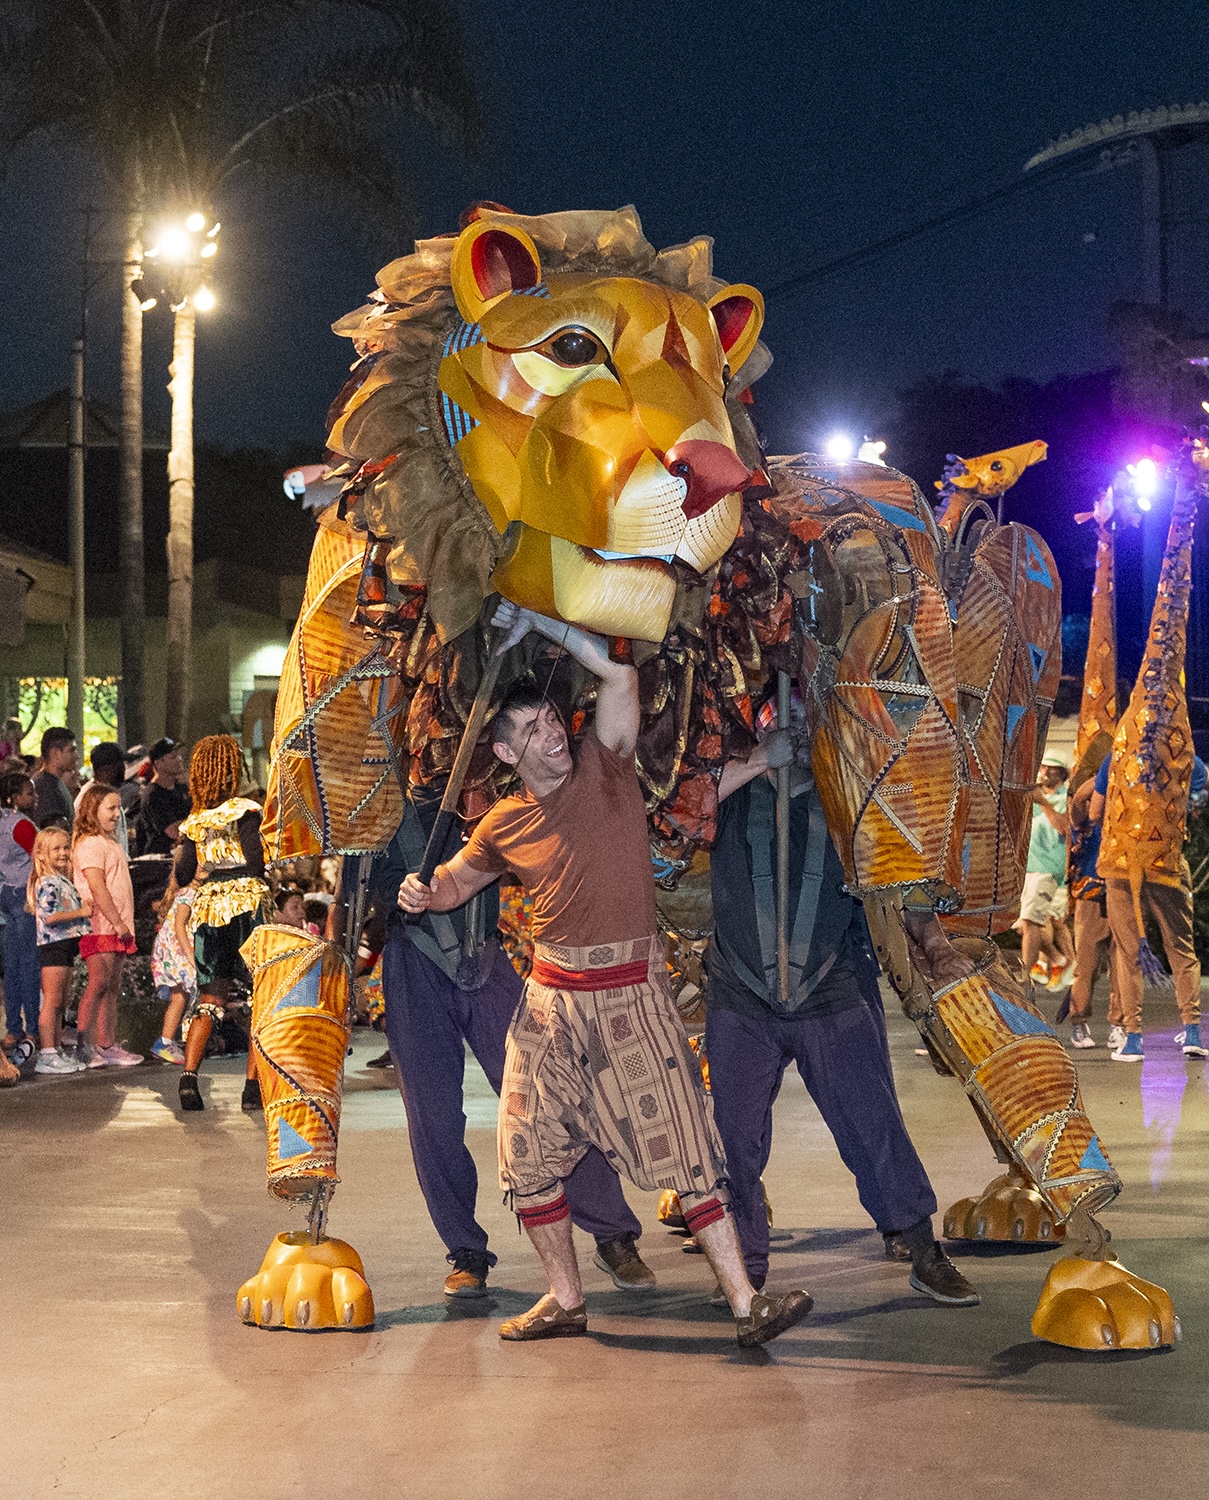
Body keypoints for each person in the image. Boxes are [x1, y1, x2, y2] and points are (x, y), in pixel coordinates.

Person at [400, 603, 813, 1349]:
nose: (550, 733)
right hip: (549, 1005)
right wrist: (425, 893)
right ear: (500, 752)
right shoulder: (501, 822)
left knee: (687, 1151)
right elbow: (458, 882)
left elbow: (617, 674)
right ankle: (565, 1298)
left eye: (551, 720)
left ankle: (745, 1303)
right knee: (524, 1153)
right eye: (528, 730)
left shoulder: (605, 764)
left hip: (630, 998)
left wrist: (541, 626)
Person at [704, 703, 978, 1307]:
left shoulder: (854, 793)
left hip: (832, 986)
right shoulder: (724, 784)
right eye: (784, 709)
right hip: (739, 993)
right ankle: (743, 1275)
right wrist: (757, 762)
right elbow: (675, 812)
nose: (795, 722)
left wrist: (934, 945)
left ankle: (921, 1247)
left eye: (807, 709)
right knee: (733, 1139)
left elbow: (902, 881)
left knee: (873, 1123)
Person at [379, 783, 653, 1302]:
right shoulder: (380, 799)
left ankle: (612, 1232)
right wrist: (396, 891)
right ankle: (465, 1250)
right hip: (413, 963)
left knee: (551, 1095)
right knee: (432, 1116)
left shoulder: (491, 792)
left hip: (485, 955)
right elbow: (361, 884)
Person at [173, 735, 269, 1112]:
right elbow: (255, 863)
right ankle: (251, 1087)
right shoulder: (246, 809)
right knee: (261, 995)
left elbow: (183, 874)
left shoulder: (194, 822)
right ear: (234, 768)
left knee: (210, 998)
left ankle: (189, 1077)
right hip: (246, 905)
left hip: (209, 908)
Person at [1093, 753, 1208, 1061]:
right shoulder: (1187, 757)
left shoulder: (1116, 755)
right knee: (1181, 949)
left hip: (1122, 868)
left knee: (1129, 953)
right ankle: (1193, 1032)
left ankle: (1133, 1038)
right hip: (1166, 864)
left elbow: (1095, 810)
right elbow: (1195, 810)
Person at [72, 782, 142, 1067]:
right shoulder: (89, 844)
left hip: (118, 924)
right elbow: (97, 887)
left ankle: (106, 1043)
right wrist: (116, 921)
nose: (117, 814)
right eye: (110, 808)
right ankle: (82, 1044)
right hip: (101, 924)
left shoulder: (111, 842)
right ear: (93, 809)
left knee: (112, 985)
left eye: (118, 808)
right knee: (99, 982)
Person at [1059, 769, 1124, 1050]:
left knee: (1123, 965)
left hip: (1122, 897)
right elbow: (1079, 798)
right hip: (1091, 898)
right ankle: (1079, 1023)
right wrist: (1106, 768)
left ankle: (1119, 1025)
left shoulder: (1123, 821)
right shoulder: (1084, 821)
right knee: (1086, 966)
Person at [28, 826, 91, 1073]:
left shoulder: (61, 880)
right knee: (52, 1001)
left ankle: (56, 1048)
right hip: (53, 945)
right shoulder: (45, 882)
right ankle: (47, 1052)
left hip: (65, 946)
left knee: (61, 1002)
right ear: (41, 854)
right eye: (57, 848)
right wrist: (82, 912)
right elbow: (50, 916)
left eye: (66, 847)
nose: (63, 853)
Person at [1018, 754, 1072, 990]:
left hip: (1048, 868)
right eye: (1044, 767)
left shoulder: (1065, 799)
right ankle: (1059, 959)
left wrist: (1044, 804)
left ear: (1062, 774)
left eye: (1053, 768)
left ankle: (1025, 973)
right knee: (1025, 925)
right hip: (1028, 867)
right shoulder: (1036, 796)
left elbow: (1064, 828)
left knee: (1032, 922)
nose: (1046, 772)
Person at [0, 770, 40, 1048]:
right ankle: (33, 1028)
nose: (34, 797)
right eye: (29, 792)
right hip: (23, 897)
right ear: (13, 798)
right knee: (29, 965)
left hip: (3, 896)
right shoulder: (23, 825)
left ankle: (13, 1028)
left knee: (10, 966)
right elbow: (40, 860)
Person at [149, 873, 195, 1065]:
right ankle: (165, 1041)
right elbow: (179, 925)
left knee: (181, 995)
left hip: (174, 950)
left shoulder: (188, 893)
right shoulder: (189, 894)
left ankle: (170, 1039)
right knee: (180, 995)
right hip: (177, 951)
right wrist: (190, 955)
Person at [76, 742, 131, 856]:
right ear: (106, 770)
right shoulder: (90, 797)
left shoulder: (107, 794)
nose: (124, 769)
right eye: (120, 765)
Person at [140, 738, 191, 855]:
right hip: (163, 859)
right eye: (173, 757)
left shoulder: (182, 788)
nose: (180, 760)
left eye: (179, 756)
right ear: (158, 763)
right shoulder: (153, 795)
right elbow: (173, 831)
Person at [32, 727, 77, 830]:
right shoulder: (44, 787)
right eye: (72, 750)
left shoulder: (54, 783)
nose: (76, 756)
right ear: (55, 753)